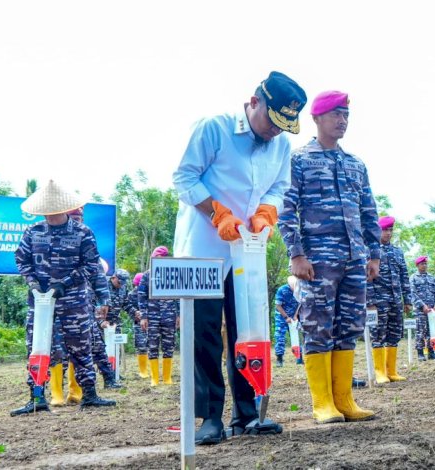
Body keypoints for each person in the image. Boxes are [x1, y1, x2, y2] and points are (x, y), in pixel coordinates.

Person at [172, 72, 303, 443]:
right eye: (272, 122)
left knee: (248, 331)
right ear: (254, 102)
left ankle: (246, 414)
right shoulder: (214, 129)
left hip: (248, 250)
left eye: (284, 127)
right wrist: (216, 212)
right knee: (205, 335)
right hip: (204, 250)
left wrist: (267, 210)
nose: (275, 133)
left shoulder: (279, 146)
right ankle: (209, 417)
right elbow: (183, 178)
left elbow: (280, 185)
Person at [278, 89, 379, 424]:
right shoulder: (300, 160)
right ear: (317, 118)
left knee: (349, 325)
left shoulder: (355, 164)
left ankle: (344, 399)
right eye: (337, 114)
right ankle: (322, 403)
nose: (343, 121)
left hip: (354, 257)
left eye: (346, 115)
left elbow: (368, 211)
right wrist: (296, 254)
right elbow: (286, 209)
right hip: (316, 259)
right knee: (317, 325)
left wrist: (373, 254)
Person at [11, 180, 116, 416]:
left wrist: (66, 283)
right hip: (40, 301)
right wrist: (32, 282)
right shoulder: (33, 231)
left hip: (74, 301)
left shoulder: (82, 232)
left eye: (52, 208)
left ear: (62, 209)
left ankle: (89, 394)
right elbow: (21, 260)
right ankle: (36, 396)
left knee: (80, 346)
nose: (49, 213)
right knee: (37, 346)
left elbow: (92, 265)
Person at [66, 207, 121, 390]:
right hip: (62, 301)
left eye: (80, 217)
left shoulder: (86, 241)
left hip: (86, 303)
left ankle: (109, 378)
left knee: (96, 343)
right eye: (74, 217)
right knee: (61, 348)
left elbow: (98, 276)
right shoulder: (60, 242)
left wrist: (104, 301)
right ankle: (70, 389)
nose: (77, 220)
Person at [368, 216, 412, 383]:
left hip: (395, 299)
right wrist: (370, 302)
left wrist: (407, 300)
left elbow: (404, 277)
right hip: (378, 300)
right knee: (378, 334)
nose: (388, 233)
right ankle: (379, 372)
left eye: (390, 230)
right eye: (385, 230)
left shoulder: (397, 252)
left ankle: (391, 371)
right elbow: (367, 278)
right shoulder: (371, 252)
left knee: (394, 333)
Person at [138, 247, 179, 386]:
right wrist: (143, 316)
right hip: (152, 315)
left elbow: (178, 296)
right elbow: (141, 296)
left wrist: (178, 315)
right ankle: (154, 378)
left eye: (161, 258)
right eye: (156, 257)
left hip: (169, 315)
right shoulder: (147, 275)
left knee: (169, 345)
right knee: (152, 344)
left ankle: (167, 377)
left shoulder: (172, 274)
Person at [410, 256, 435, 361]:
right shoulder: (413, 278)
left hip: (432, 310)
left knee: (432, 332)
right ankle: (420, 353)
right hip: (420, 310)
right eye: (422, 264)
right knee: (420, 331)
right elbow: (412, 294)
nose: (424, 265)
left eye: (426, 264)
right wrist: (422, 305)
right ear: (417, 265)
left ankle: (431, 352)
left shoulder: (432, 278)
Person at [272, 276, 300, 367]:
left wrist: (296, 315)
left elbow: (301, 303)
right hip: (281, 316)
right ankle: (279, 359)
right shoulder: (282, 290)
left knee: (296, 336)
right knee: (279, 336)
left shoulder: (300, 289)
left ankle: (299, 358)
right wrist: (286, 317)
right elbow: (278, 305)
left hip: (294, 316)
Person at [129, 273, 149, 378]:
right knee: (141, 347)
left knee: (152, 346)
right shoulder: (132, 294)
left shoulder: (151, 293)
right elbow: (130, 310)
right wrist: (137, 315)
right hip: (139, 324)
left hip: (152, 322)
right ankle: (143, 371)